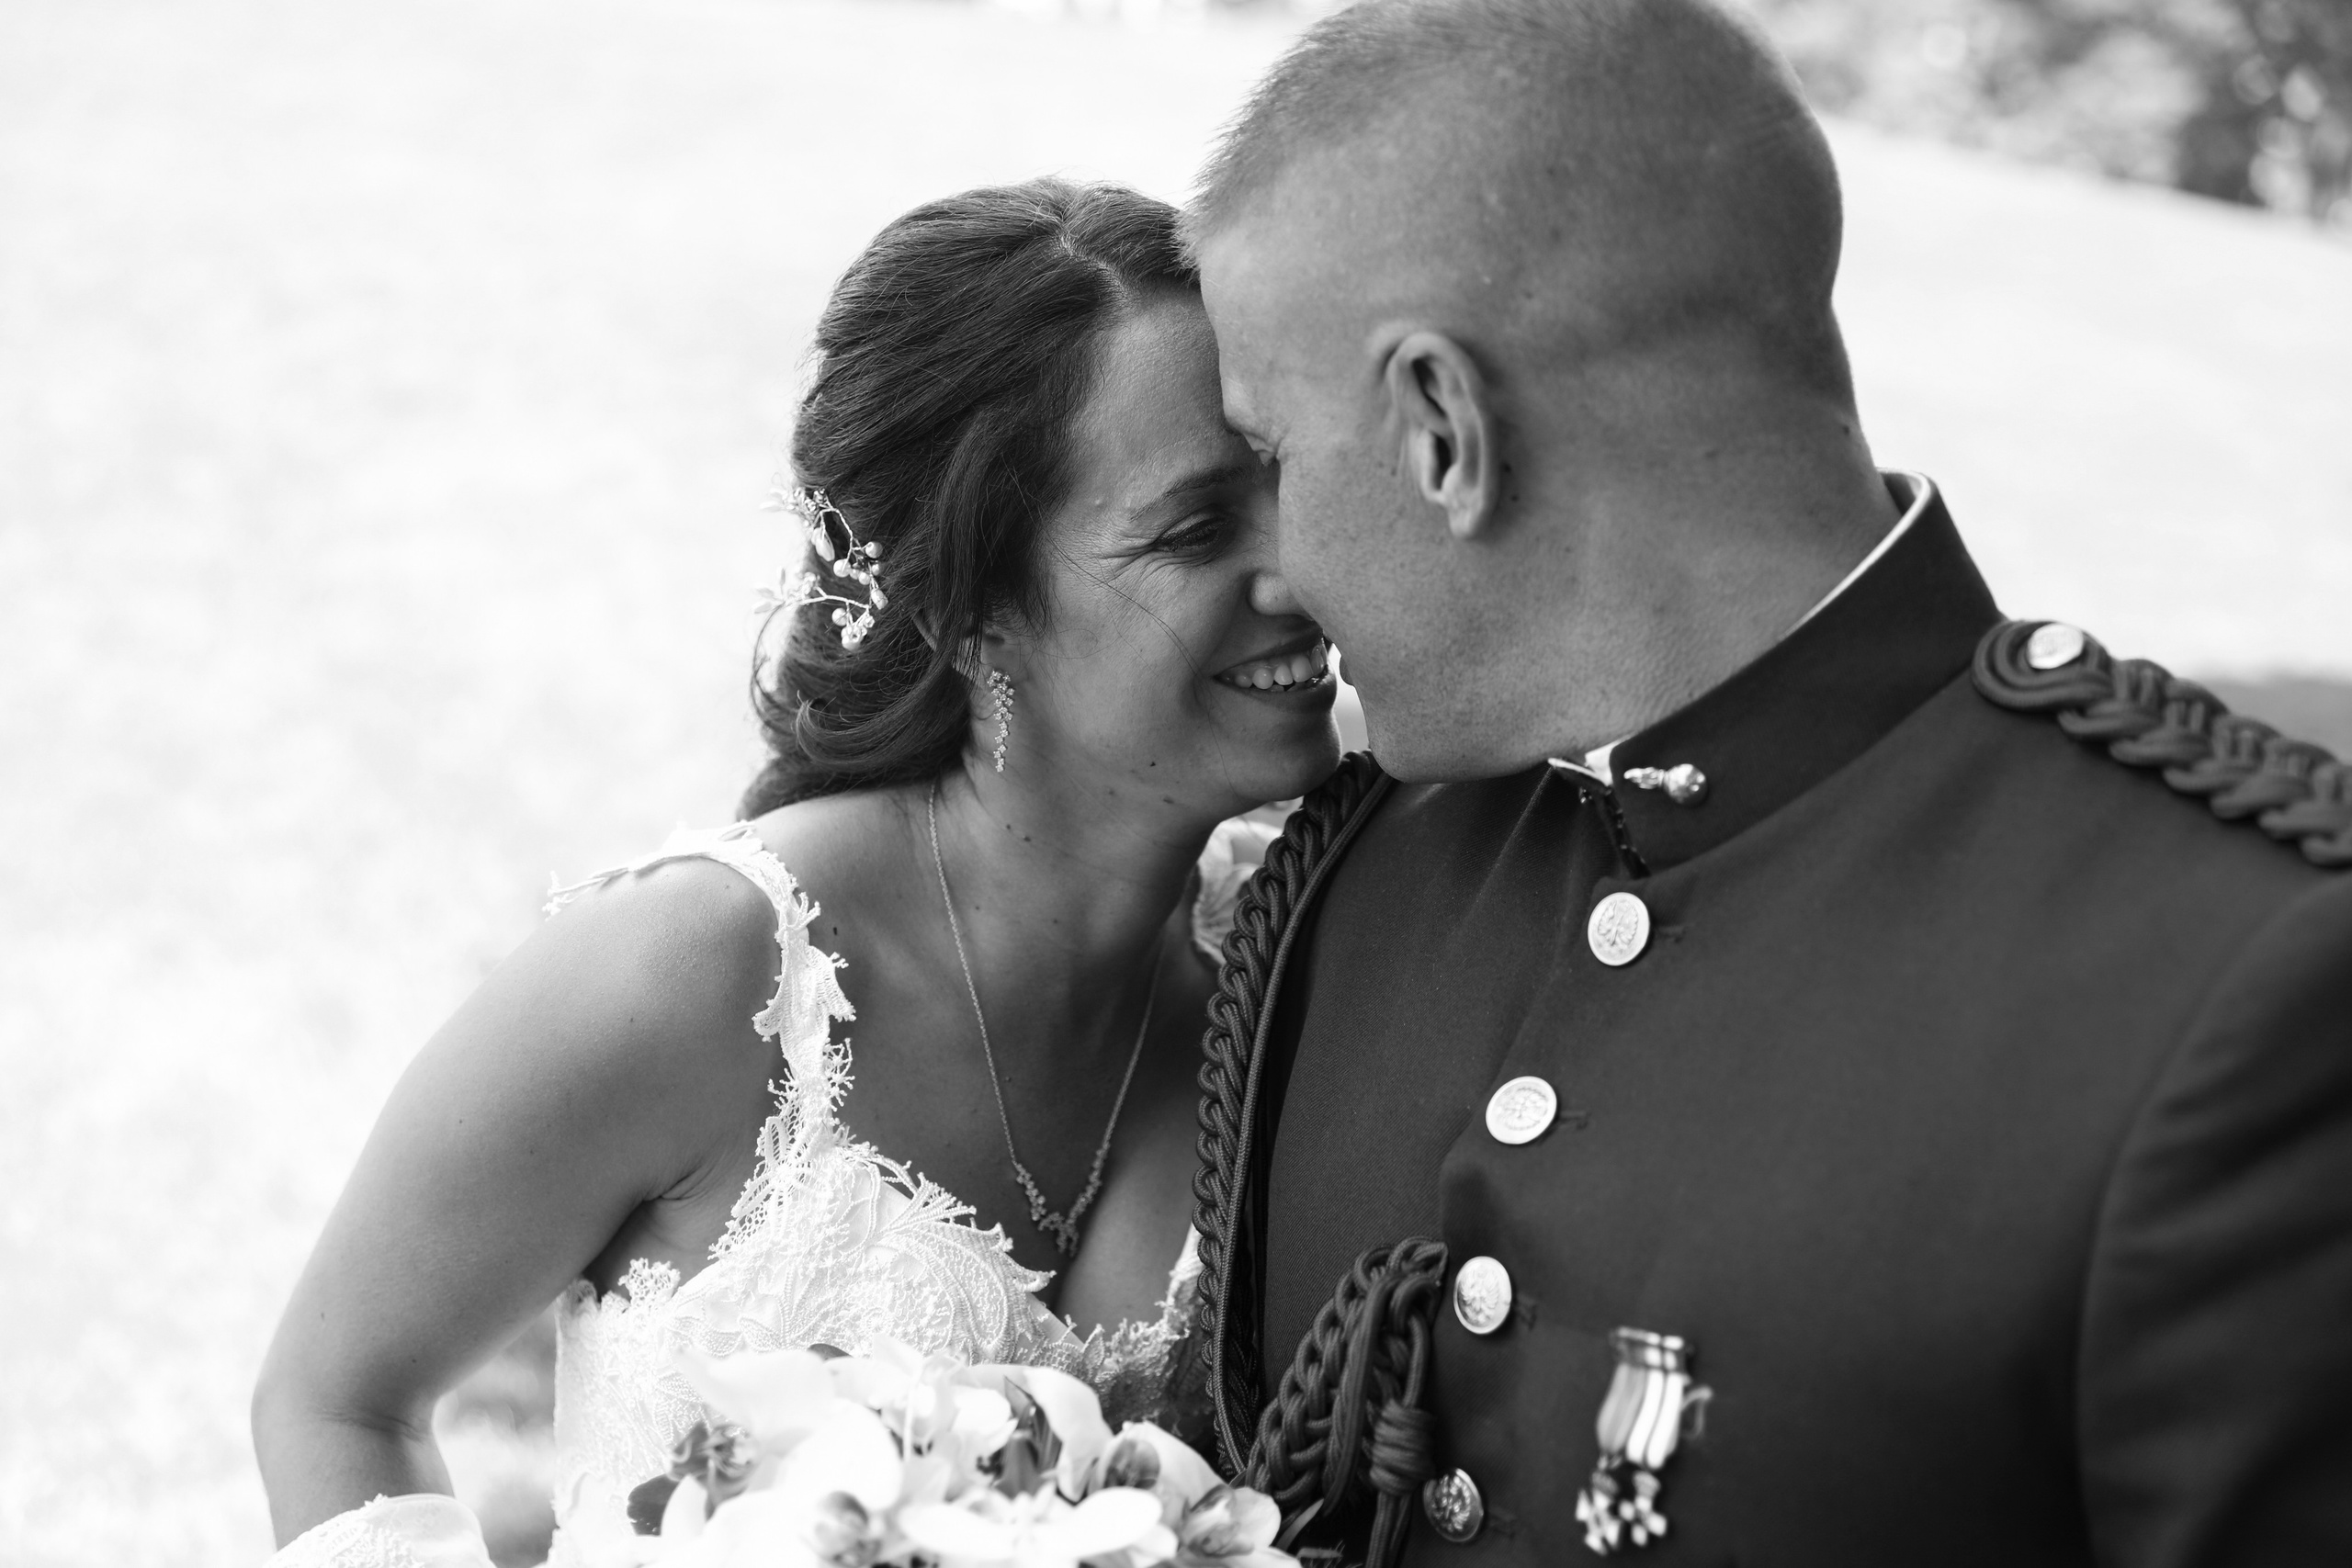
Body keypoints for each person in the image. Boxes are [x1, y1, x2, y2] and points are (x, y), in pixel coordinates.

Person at [1178, 1, 2352, 1564]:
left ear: (1441, 427)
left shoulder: (2241, 981)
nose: (1274, 560)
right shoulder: (1362, 872)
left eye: (1271, 457)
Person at [251, 177, 1342, 1567]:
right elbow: (333, 1398)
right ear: (970, 613)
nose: (1301, 572)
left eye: (1290, 483)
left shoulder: (1311, 949)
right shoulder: (702, 974)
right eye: (1196, 532)